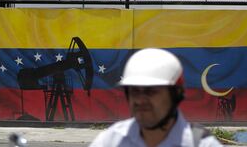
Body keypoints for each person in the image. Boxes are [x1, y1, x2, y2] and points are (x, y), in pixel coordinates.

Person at [89, 48, 222, 147]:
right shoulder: (110, 141)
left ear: (176, 94)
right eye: (135, 91)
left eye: (151, 91)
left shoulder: (201, 144)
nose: (140, 100)